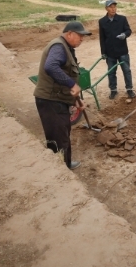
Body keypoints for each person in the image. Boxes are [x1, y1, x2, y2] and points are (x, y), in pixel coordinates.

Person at [33, 21, 92, 170]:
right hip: (50, 101)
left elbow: (65, 75)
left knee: (62, 135)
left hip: (57, 99)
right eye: (80, 36)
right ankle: (62, 171)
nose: (82, 39)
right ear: (69, 33)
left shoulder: (66, 47)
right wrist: (72, 85)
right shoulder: (59, 46)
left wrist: (75, 101)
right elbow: (51, 66)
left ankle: (65, 164)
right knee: (58, 138)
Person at [98, 0, 135, 100]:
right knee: (111, 72)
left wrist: (124, 34)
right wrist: (103, 52)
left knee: (126, 70)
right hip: (110, 53)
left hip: (122, 51)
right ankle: (113, 90)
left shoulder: (122, 19)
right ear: (106, 8)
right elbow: (102, 38)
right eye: (111, 7)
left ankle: (129, 89)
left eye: (114, 7)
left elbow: (128, 30)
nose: (113, 9)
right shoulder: (102, 21)